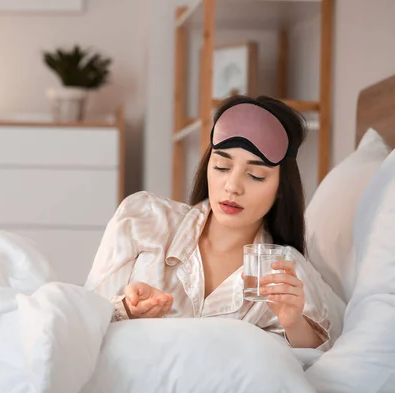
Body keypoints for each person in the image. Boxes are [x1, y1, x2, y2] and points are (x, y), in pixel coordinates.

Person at [84, 95, 334, 350]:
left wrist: (293, 322)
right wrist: (127, 311)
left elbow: (316, 360)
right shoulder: (143, 218)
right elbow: (85, 319)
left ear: (281, 188)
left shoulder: (284, 269)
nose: (232, 187)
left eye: (255, 175)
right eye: (222, 167)